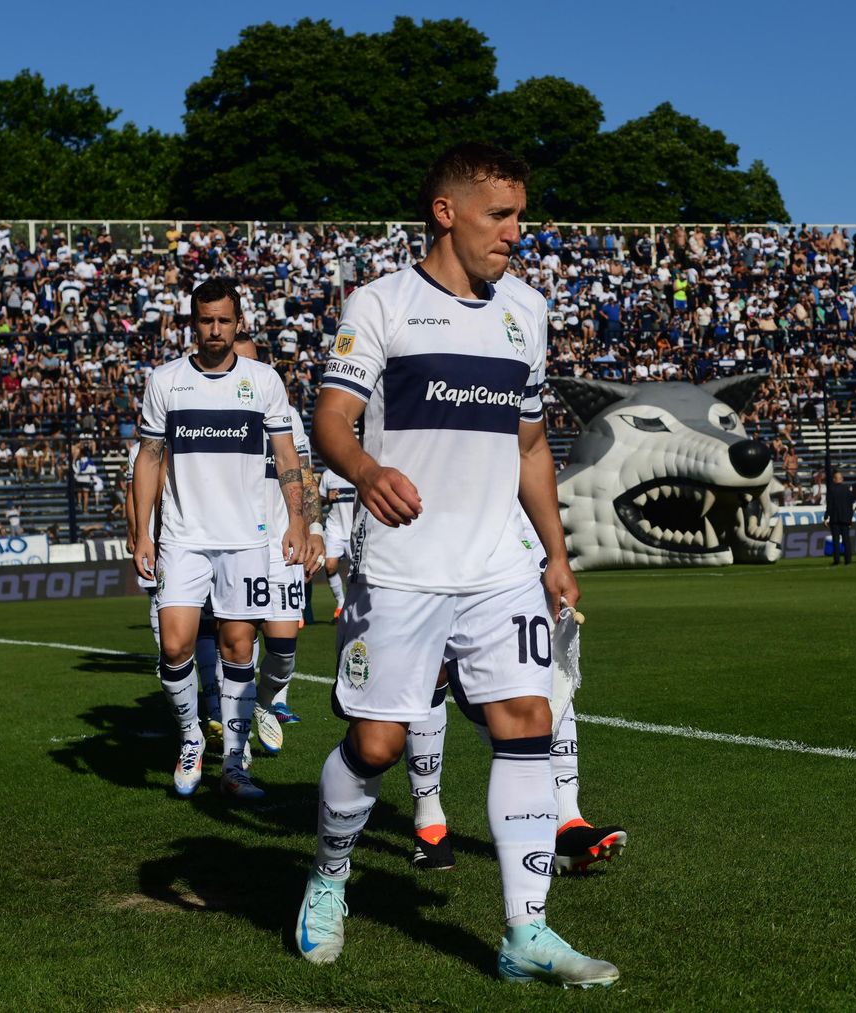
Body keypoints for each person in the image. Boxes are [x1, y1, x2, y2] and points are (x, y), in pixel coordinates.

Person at [296, 143, 617, 987]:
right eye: (499, 215)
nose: (518, 233)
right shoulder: (382, 305)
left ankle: (527, 930)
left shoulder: (526, 313)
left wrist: (555, 552)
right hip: (401, 568)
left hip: (497, 566)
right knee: (376, 741)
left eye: (521, 215)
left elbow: (532, 443)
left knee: (526, 722)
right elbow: (331, 416)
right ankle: (330, 877)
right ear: (446, 212)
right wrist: (365, 472)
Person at [131, 277, 308, 802]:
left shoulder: (264, 380)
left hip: (246, 541)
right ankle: (191, 739)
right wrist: (143, 530)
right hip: (182, 538)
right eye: (205, 321)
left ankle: (236, 760)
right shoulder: (165, 381)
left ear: (238, 323)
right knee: (174, 644)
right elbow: (149, 458)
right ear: (193, 323)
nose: (214, 330)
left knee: (238, 646)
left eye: (223, 321)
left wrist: (298, 523)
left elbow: (288, 457)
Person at [405, 511, 626, 876]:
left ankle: (567, 821)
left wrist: (556, 557)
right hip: (430, 520)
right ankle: (429, 823)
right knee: (430, 671)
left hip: (509, 522)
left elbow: (531, 454)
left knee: (548, 657)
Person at [233, 337, 325, 751]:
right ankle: (238, 745)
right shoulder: (216, 408)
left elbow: (303, 473)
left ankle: (264, 703)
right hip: (233, 542)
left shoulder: (286, 413)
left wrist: (313, 528)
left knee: (284, 650)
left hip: (279, 543)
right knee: (237, 644)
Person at [125, 438, 224, 754]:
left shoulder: (202, 435)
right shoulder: (142, 451)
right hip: (162, 547)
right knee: (170, 643)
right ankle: (191, 723)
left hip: (203, 543)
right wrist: (138, 533)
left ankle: (216, 710)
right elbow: (132, 493)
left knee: (212, 627)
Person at [317, 467, 357, 619]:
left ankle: (354, 604)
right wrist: (327, 498)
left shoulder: (356, 470)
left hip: (355, 530)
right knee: (329, 565)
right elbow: (318, 501)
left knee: (357, 573)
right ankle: (341, 601)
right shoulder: (328, 475)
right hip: (335, 529)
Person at [824, 469, 856, 566]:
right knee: (846, 539)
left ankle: (837, 560)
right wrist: (850, 517)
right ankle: (848, 559)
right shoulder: (847, 489)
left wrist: (826, 517)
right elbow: (851, 504)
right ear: (841, 479)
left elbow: (829, 505)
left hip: (835, 518)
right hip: (845, 518)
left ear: (834, 479)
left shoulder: (831, 489)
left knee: (836, 540)